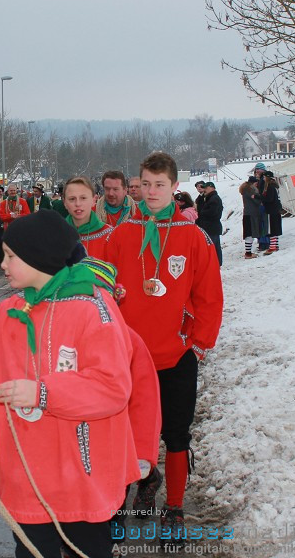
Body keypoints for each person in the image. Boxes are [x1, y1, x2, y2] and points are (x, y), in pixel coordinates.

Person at [0, 210, 139, 558]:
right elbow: (5, 370)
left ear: (41, 256)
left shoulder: (93, 310)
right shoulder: (10, 311)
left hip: (80, 475)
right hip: (27, 471)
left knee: (89, 550)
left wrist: (43, 393)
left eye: (11, 255)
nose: (2, 262)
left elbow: (112, 387)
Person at [106, 152, 224, 545]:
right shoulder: (120, 235)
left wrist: (200, 344)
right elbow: (101, 295)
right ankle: (118, 505)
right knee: (122, 436)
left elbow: (209, 296)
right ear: (136, 186)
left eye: (160, 185)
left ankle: (174, 507)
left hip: (175, 357)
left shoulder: (193, 237)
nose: (152, 192)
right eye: (146, 184)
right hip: (128, 360)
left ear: (175, 187)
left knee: (176, 435)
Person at [62, 177, 114, 262]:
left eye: (83, 198)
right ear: (64, 203)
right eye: (72, 199)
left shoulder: (110, 236)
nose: (78, 204)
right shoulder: (55, 235)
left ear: (94, 200)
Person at [196, 181, 224, 266]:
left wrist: (200, 213)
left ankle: (216, 264)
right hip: (209, 226)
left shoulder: (214, 198)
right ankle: (214, 264)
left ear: (212, 188)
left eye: (206, 188)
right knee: (213, 247)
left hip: (211, 227)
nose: (204, 190)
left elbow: (212, 212)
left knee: (213, 247)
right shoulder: (208, 197)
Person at [240, 176, 265, 259]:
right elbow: (257, 201)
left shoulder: (245, 190)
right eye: (256, 183)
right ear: (253, 183)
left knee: (248, 233)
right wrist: (260, 198)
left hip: (247, 214)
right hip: (252, 214)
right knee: (250, 233)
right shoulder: (251, 191)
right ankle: (248, 253)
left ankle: (248, 252)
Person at [261, 171, 283, 254]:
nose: (263, 178)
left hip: (271, 210)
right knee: (275, 227)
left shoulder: (270, 187)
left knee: (272, 229)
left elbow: (269, 199)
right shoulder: (275, 186)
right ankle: (275, 245)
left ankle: (272, 247)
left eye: (264, 177)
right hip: (276, 209)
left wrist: (262, 198)